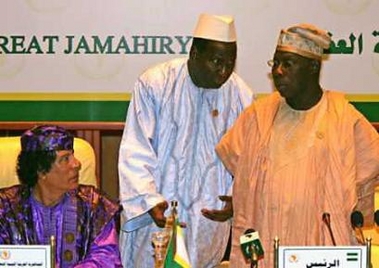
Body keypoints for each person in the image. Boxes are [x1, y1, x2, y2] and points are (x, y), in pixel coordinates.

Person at [216, 23, 379, 268]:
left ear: (313, 67)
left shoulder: (344, 117)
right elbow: (234, 163)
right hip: (266, 249)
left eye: (288, 64)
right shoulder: (258, 117)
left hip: (321, 251)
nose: (278, 72)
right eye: (275, 64)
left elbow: (371, 165)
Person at [118, 13, 254, 267]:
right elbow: (135, 149)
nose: (223, 71)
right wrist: (148, 200)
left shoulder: (241, 96)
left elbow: (247, 161)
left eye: (230, 62)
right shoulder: (155, 83)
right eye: (216, 61)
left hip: (207, 223)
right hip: (156, 221)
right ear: (194, 53)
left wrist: (239, 197)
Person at [0, 125, 123, 268]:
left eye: (73, 155)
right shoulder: (6, 209)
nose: (77, 164)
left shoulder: (95, 205)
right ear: (41, 170)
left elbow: (106, 257)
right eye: (65, 159)